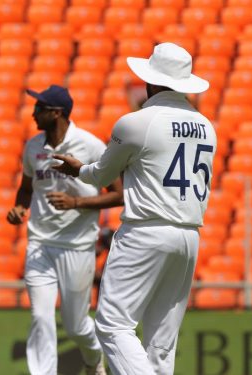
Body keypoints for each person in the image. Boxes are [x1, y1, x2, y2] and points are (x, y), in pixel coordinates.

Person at [52, 43, 216, 374]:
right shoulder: (206, 126)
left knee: (112, 325)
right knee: (161, 339)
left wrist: (78, 169)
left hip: (145, 230)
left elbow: (102, 175)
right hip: (188, 236)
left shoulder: (137, 122)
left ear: (151, 81)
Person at [6, 85, 124, 375]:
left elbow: (119, 194)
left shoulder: (91, 145)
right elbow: (25, 190)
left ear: (56, 113)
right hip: (40, 244)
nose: (33, 114)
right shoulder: (33, 147)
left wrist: (76, 202)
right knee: (40, 317)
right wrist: (20, 208)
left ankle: (94, 358)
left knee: (77, 326)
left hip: (77, 246)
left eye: (39, 109)